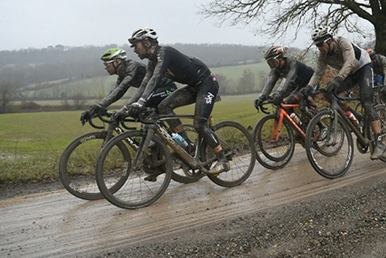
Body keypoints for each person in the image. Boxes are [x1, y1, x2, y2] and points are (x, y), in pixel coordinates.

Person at [121, 28, 229, 176]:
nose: (134, 50)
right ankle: (187, 145)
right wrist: (125, 108)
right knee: (163, 106)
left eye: (136, 46)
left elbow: (155, 79)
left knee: (199, 124)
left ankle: (223, 160)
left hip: (207, 83)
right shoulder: (152, 62)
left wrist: (141, 102)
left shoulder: (165, 52)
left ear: (146, 42)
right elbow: (144, 86)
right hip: (192, 87)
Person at [299, 26, 386, 160]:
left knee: (366, 102)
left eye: (321, 45)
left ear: (329, 41)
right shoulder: (323, 55)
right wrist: (308, 87)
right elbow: (318, 73)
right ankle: (357, 117)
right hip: (349, 74)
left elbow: (349, 62)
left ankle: (379, 141)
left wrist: (338, 78)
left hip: (363, 68)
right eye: (317, 46)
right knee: (328, 93)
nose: (320, 48)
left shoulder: (342, 43)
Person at [79, 48, 176, 124]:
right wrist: (95, 110)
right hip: (151, 92)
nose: (105, 67)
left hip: (167, 88)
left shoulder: (131, 66)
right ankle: (154, 140)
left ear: (117, 62)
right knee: (137, 111)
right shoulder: (121, 73)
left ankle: (181, 136)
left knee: (138, 107)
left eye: (107, 64)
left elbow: (123, 87)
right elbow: (114, 93)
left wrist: (123, 109)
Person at [254, 45, 315, 119]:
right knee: (287, 105)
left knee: (303, 106)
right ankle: (300, 124)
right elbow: (270, 81)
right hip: (297, 85)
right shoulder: (276, 69)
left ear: (280, 58)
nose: (272, 65)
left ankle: (321, 127)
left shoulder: (292, 63)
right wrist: (262, 97)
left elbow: (289, 79)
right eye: (270, 63)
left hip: (310, 82)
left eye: (273, 62)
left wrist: (281, 93)